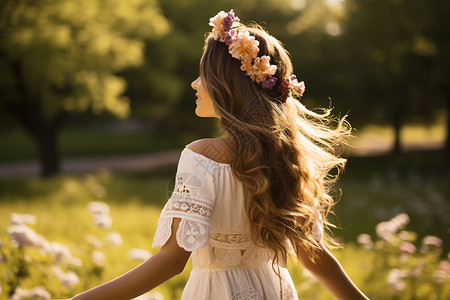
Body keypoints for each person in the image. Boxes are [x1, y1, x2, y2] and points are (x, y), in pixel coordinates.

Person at [71, 9, 369, 300]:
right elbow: (315, 257)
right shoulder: (285, 160)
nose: (195, 84)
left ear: (229, 86)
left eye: (204, 75)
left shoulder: (201, 157)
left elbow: (172, 261)